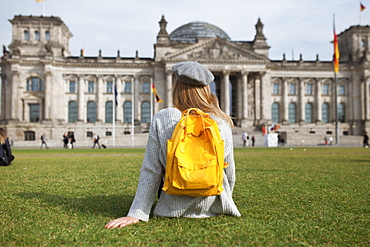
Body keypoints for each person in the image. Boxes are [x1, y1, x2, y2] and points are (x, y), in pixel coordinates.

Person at [105, 61, 241, 229]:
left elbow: (152, 170)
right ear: (206, 89)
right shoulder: (221, 120)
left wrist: (137, 213)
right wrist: (226, 202)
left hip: (171, 208)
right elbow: (229, 172)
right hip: (213, 206)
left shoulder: (163, 117)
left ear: (177, 86)